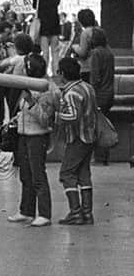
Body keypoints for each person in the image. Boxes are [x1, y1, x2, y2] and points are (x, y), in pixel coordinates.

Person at [10, 54, 56, 227]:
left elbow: (45, 119)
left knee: (38, 174)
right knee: (25, 175)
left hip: (37, 136)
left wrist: (30, 101)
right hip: (24, 134)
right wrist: (17, 118)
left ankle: (44, 213)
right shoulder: (28, 85)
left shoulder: (46, 89)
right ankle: (26, 211)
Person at [56, 57, 97, 225]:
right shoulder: (88, 87)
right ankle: (87, 213)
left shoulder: (72, 93)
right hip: (90, 136)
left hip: (77, 138)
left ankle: (75, 212)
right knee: (83, 174)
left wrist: (56, 115)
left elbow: (73, 116)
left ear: (63, 74)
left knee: (66, 173)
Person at [33, 0, 62, 75]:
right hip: (54, 24)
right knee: (55, 52)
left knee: (45, 52)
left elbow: (34, 6)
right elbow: (57, 4)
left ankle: (44, 72)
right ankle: (56, 72)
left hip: (43, 25)